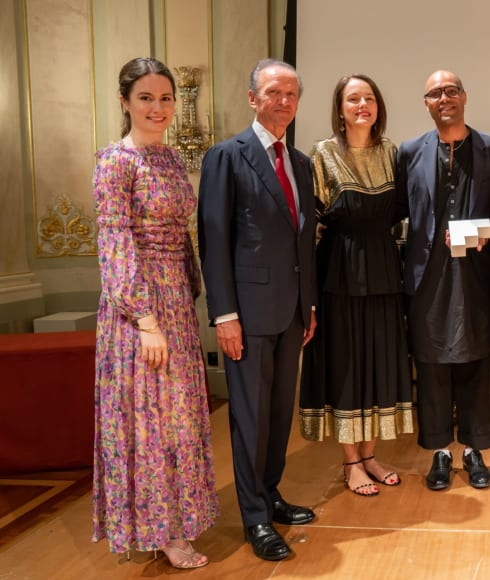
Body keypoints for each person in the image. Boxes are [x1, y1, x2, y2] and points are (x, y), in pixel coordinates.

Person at [91, 57, 218, 569]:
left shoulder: (167, 159)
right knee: (148, 422)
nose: (158, 107)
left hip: (176, 307)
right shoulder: (113, 161)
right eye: (146, 98)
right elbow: (116, 243)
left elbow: (180, 237)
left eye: (165, 98)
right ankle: (157, 528)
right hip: (137, 311)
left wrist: (188, 297)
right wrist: (146, 321)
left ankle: (176, 522)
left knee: (180, 418)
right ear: (125, 103)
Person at [198, 58, 317, 560]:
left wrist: (308, 303)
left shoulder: (302, 164)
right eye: (273, 92)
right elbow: (215, 238)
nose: (283, 102)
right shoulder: (227, 157)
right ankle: (252, 518)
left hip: (292, 311)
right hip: (245, 313)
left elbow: (303, 241)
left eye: (291, 94)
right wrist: (224, 314)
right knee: (248, 418)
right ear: (252, 98)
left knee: (277, 413)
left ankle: (270, 494)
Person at [299, 74, 413, 497]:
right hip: (340, 275)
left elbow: (401, 215)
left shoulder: (391, 152)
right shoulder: (322, 154)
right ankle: (351, 462)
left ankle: (370, 456)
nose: (362, 104)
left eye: (369, 97)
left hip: (384, 271)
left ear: (378, 106)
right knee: (348, 367)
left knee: (379, 363)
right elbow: (310, 226)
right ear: (340, 108)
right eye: (353, 98)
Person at [395, 70, 490, 491]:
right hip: (427, 277)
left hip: (476, 273)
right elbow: (400, 210)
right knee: (432, 363)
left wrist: (473, 234)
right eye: (435, 93)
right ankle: (440, 452)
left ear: (464, 96)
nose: (444, 98)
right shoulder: (409, 152)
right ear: (426, 103)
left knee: (475, 360)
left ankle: (474, 451)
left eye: (451, 90)